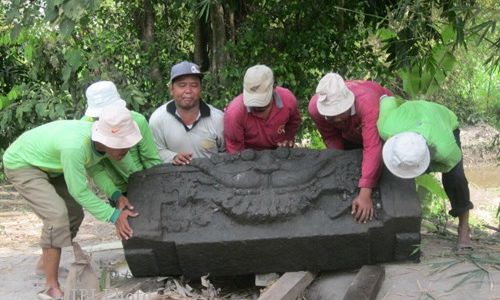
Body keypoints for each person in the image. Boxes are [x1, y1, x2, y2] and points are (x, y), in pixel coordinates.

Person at [2, 106, 142, 299]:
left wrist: (117, 195)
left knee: (75, 214)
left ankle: (45, 263)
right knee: (56, 215)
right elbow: (79, 191)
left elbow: (96, 170)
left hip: (52, 165)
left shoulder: (97, 146)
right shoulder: (75, 147)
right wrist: (114, 216)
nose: (127, 149)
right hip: (23, 163)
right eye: (122, 143)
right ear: (106, 139)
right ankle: (51, 285)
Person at [377, 95, 474, 251]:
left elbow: (452, 163)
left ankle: (464, 227)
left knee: (455, 179)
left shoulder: (446, 149)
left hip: (442, 121)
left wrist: (427, 168)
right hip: (410, 115)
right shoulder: (386, 127)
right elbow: (385, 99)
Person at [308, 72, 393, 223]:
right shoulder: (315, 109)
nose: (338, 118)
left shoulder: (366, 103)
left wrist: (365, 193)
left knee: (383, 160)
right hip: (351, 133)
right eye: (332, 116)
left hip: (384, 128)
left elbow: (372, 146)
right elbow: (331, 137)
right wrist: (340, 163)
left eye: (341, 112)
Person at [83, 81, 162, 205]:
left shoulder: (137, 121)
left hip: (145, 181)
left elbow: (150, 158)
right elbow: (95, 169)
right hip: (116, 189)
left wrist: (157, 184)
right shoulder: (86, 129)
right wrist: (115, 194)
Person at [149, 61, 224, 165]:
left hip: (212, 179)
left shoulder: (218, 119)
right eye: (182, 85)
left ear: (200, 89)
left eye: (194, 85)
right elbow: (155, 152)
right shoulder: (158, 119)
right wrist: (173, 157)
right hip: (173, 178)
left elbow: (228, 153)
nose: (188, 90)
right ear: (171, 89)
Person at [224, 64, 302, 153]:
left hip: (278, 152)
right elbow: (236, 153)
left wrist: (287, 138)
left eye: (262, 102)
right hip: (249, 156)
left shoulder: (288, 100)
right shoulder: (234, 114)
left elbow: (294, 121)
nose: (257, 106)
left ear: (273, 87)